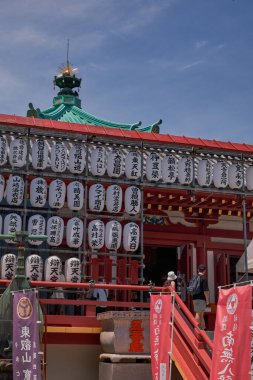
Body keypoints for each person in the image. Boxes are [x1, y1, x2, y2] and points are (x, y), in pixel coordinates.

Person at [192, 264, 209, 330]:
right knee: (198, 313)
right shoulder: (204, 278)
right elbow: (206, 291)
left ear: (198, 270)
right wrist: (207, 300)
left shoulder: (194, 277)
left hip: (194, 298)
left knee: (201, 314)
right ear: (205, 271)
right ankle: (196, 329)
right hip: (201, 298)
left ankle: (203, 328)